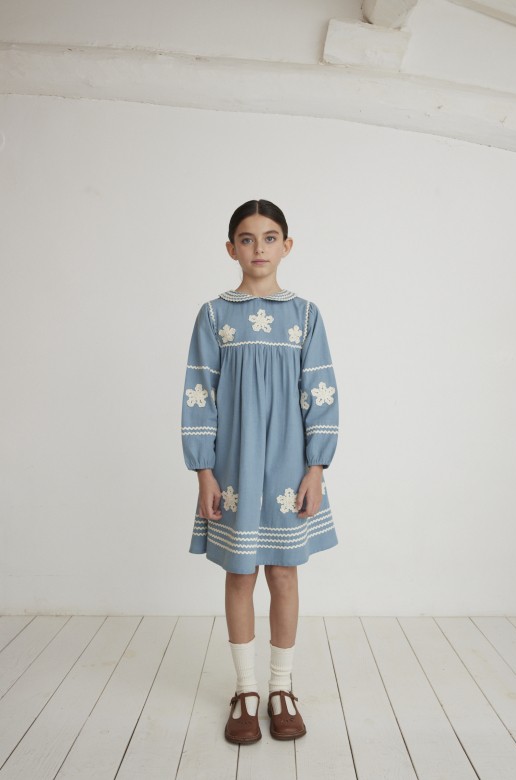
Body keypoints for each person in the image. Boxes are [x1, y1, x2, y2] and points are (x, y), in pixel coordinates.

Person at [181, 199, 339, 744]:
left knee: (284, 574)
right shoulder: (214, 316)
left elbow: (321, 391)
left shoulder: (306, 316)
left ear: (286, 246)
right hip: (234, 468)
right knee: (240, 573)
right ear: (231, 249)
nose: (259, 249)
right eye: (247, 239)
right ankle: (246, 690)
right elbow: (199, 393)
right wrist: (203, 471)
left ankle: (281, 687)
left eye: (270, 238)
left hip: (290, 467)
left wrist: (317, 467)